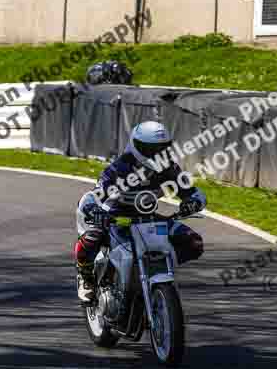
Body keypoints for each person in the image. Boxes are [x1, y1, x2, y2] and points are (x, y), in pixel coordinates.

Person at [74, 121, 206, 302]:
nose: (157, 154)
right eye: (152, 149)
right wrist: (94, 210)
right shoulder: (119, 169)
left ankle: (158, 271)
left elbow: (194, 193)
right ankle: (85, 276)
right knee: (92, 237)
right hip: (116, 218)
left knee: (194, 243)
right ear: (137, 146)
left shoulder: (169, 169)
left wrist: (192, 203)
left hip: (149, 219)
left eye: (162, 148)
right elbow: (93, 195)